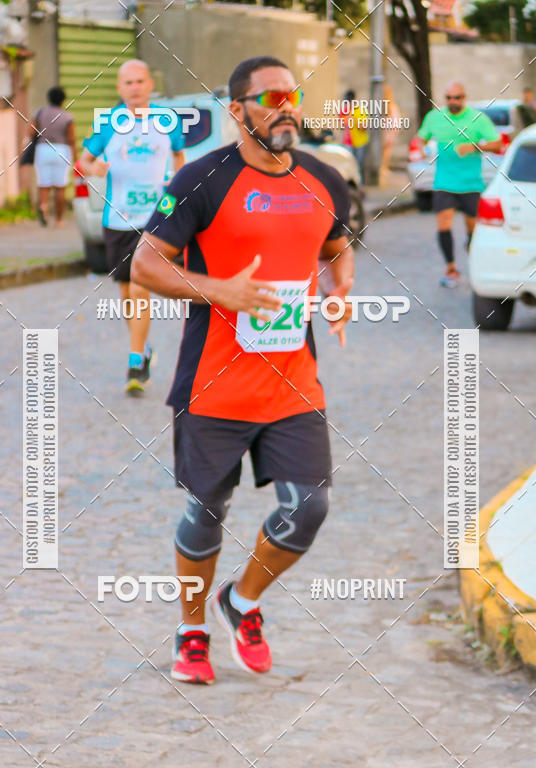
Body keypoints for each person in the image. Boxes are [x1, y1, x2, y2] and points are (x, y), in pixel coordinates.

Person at [131, 56, 354, 685]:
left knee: (308, 509)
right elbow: (146, 267)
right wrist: (217, 291)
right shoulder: (202, 179)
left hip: (293, 382)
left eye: (295, 94)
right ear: (238, 110)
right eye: (272, 96)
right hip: (214, 384)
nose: (288, 106)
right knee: (208, 511)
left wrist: (340, 290)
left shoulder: (323, 178)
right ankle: (193, 630)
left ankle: (244, 600)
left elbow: (338, 247)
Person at [78, 59, 185, 394]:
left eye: (140, 81)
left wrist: (174, 190)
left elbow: (180, 158)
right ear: (119, 88)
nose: (135, 87)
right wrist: (94, 170)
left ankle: (135, 362)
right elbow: (83, 161)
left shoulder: (168, 123)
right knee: (126, 293)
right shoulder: (108, 123)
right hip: (117, 219)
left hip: (153, 220)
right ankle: (143, 347)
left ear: (150, 84)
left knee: (140, 287)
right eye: (128, 83)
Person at [416, 82, 501, 288]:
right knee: (444, 224)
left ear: (464, 98)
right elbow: (420, 138)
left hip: (471, 184)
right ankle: (451, 268)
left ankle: (473, 257)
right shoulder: (434, 118)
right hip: (444, 182)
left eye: (458, 97)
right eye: (449, 98)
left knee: (473, 229)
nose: (453, 102)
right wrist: (422, 149)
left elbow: (497, 144)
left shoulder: (478, 119)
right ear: (445, 99)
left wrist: (474, 147)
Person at [30, 87, 76, 227]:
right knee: (60, 187)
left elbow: (31, 131)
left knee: (43, 184)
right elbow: (71, 139)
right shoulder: (67, 117)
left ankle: (43, 206)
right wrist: (76, 158)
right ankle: (59, 220)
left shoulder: (40, 112)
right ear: (63, 100)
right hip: (61, 150)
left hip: (43, 149)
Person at [342, 89, 369, 184]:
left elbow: (364, 127)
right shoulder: (344, 111)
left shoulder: (360, 110)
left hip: (360, 142)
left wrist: (356, 121)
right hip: (348, 142)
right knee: (349, 164)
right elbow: (341, 124)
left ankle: (359, 184)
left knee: (358, 164)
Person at [379, 84, 401, 188]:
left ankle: (383, 170)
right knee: (386, 153)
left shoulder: (387, 106)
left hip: (387, 132)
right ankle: (383, 170)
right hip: (388, 132)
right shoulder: (389, 106)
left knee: (385, 153)